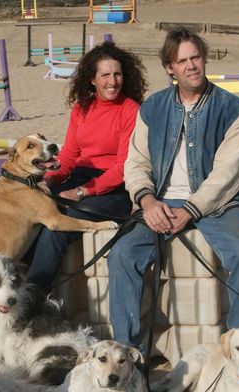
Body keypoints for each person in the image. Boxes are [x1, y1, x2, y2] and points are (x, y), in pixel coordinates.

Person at [107, 27, 239, 348]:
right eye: (182, 61)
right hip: (161, 199)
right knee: (121, 254)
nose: (191, 65)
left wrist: (191, 209)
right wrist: (147, 200)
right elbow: (136, 162)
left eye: (196, 57)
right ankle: (127, 352)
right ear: (170, 68)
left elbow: (227, 176)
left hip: (218, 203)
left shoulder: (234, 110)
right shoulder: (152, 108)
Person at [27, 41, 148, 293]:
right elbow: (70, 154)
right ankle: (17, 288)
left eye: (117, 74)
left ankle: (35, 297)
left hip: (113, 191)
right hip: (77, 179)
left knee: (59, 225)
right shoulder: (81, 107)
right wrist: (49, 179)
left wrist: (83, 192)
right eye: (105, 75)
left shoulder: (131, 111)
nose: (112, 81)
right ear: (92, 80)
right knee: (30, 216)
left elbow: (123, 168)